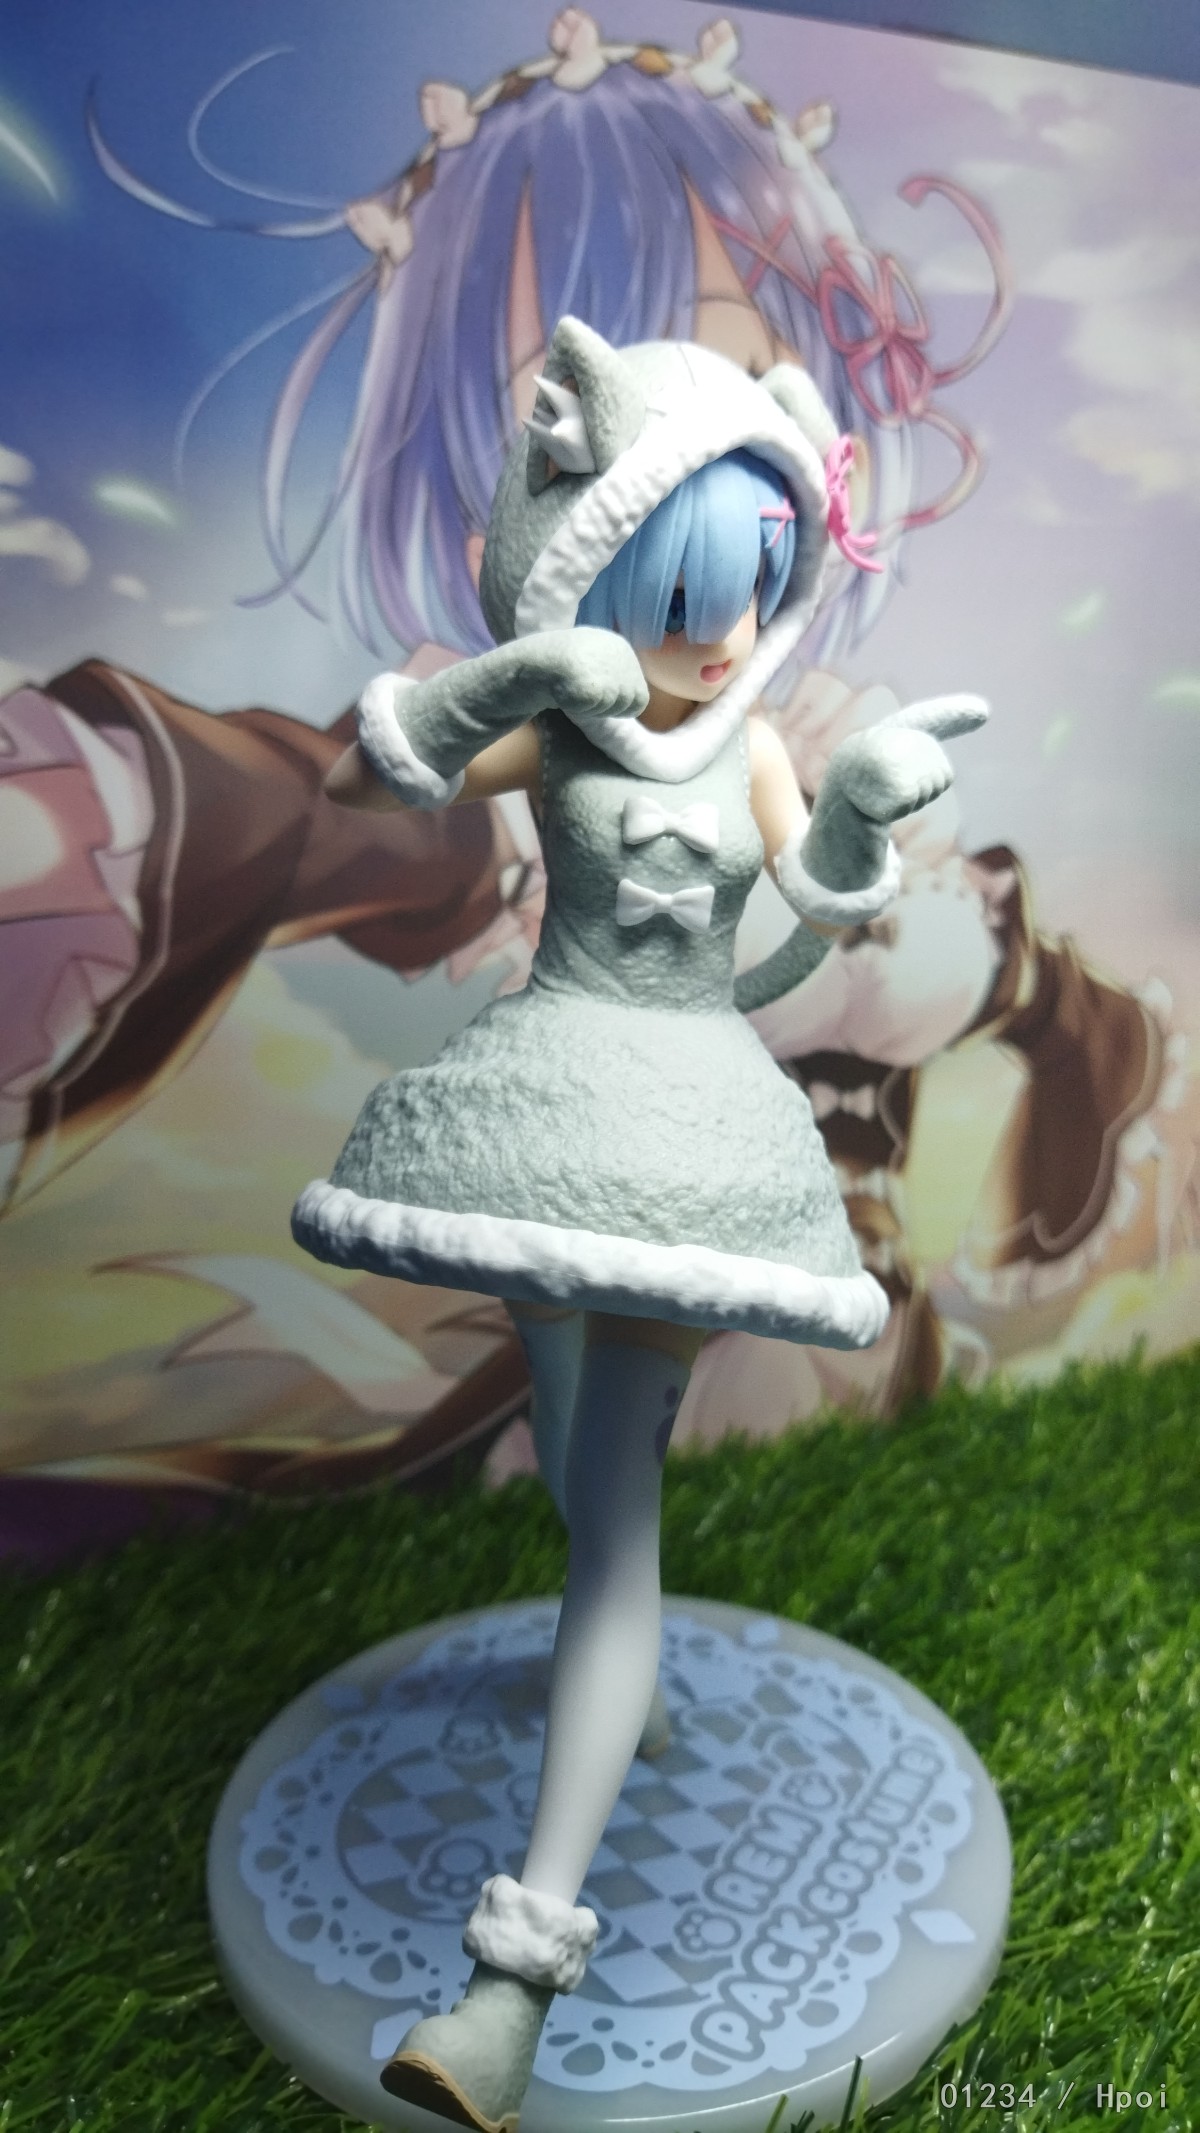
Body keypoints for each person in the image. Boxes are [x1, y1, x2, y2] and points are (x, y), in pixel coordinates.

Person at [293, 316, 986, 2129]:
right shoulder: (566, 721)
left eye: (755, 586)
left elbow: (806, 913)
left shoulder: (748, 748)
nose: (725, 635)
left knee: (615, 1525)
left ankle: (511, 1979)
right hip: (540, 1111)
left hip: (684, 1134)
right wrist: (516, 669)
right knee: (573, 1454)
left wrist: (857, 805)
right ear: (596, 560)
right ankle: (634, 1688)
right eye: (688, 591)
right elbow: (365, 779)